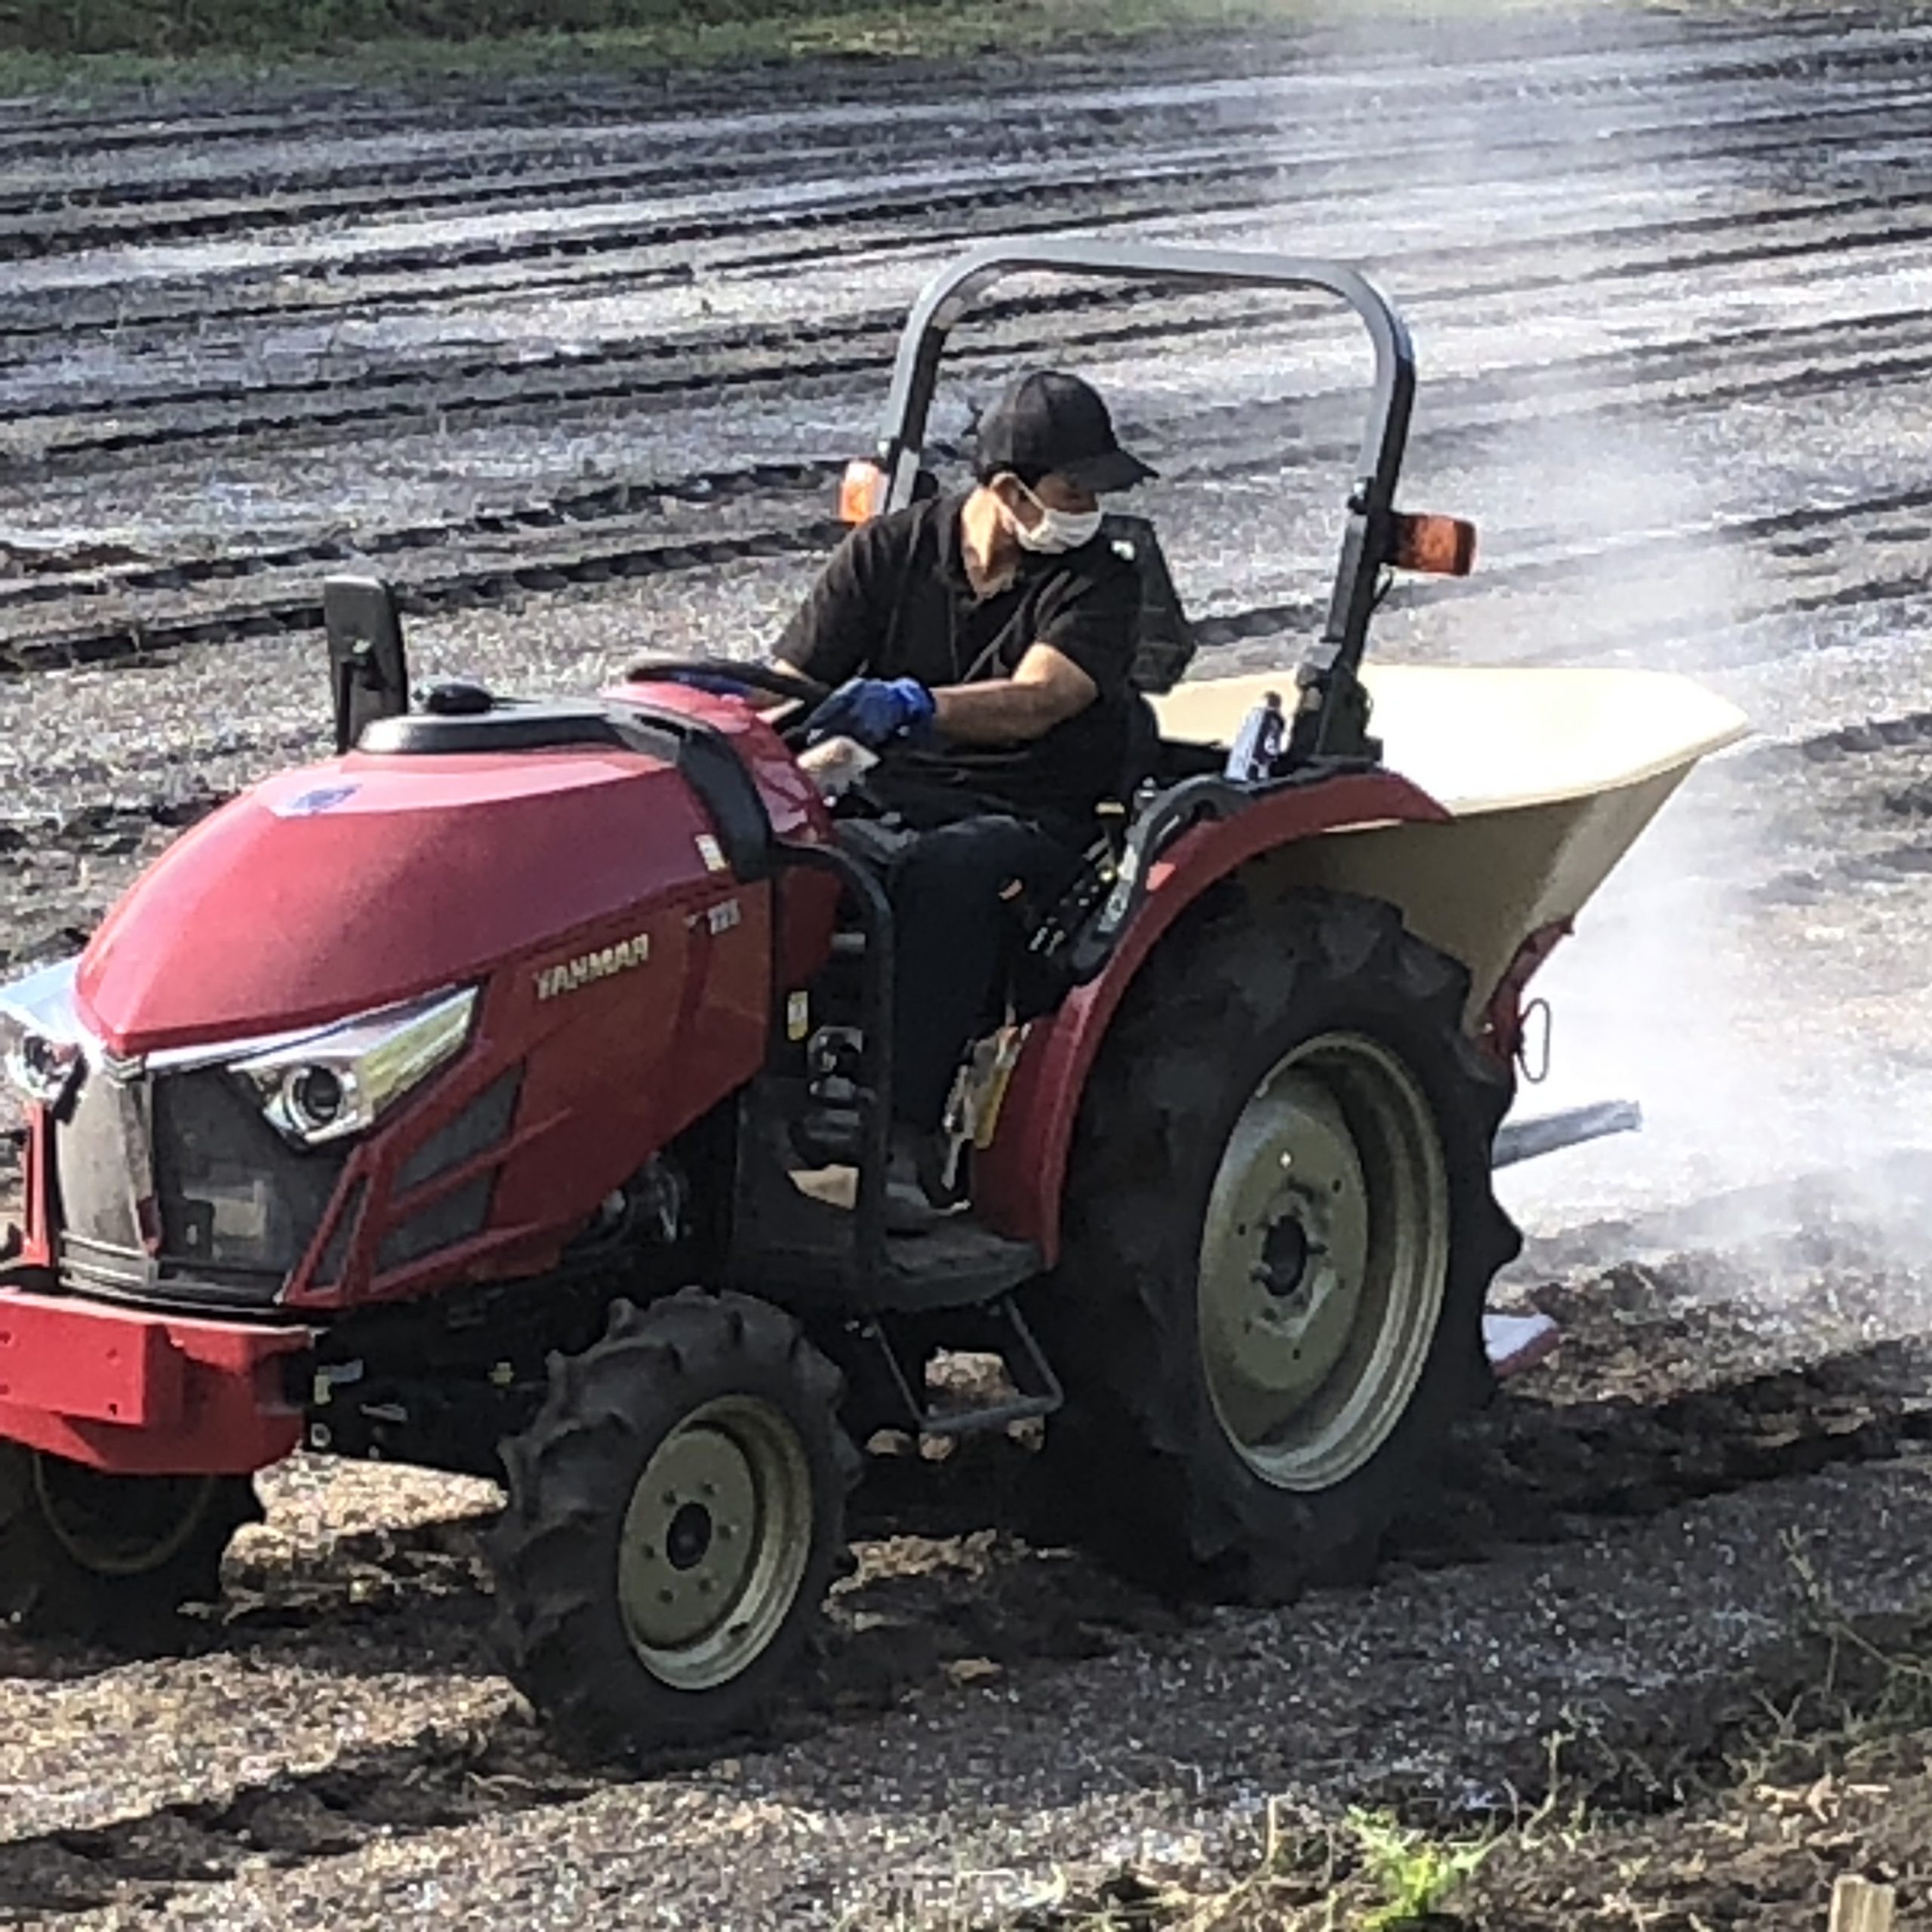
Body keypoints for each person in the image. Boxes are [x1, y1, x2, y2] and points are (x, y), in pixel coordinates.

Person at [774, 369, 1156, 1231]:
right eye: (1077, 486)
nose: (1092, 503)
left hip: (1039, 819)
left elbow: (1041, 698)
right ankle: (776, 1099)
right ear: (1009, 491)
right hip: (890, 797)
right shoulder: (890, 551)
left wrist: (913, 704)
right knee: (767, 852)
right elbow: (791, 684)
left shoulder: (1098, 581)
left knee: (949, 873)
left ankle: (900, 1137)